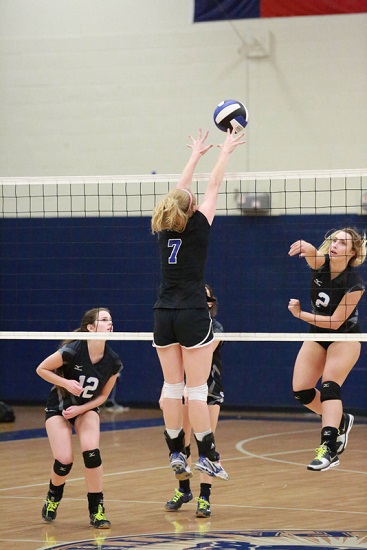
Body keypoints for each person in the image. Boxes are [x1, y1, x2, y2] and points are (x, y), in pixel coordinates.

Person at [151, 128, 245, 485]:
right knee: (196, 390)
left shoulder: (163, 228)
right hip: (191, 311)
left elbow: (179, 192)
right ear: (191, 208)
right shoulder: (200, 226)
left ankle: (177, 451)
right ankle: (208, 457)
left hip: (163, 314)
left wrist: (194, 155)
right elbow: (214, 186)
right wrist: (225, 153)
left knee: (172, 389)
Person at [36, 307, 122, 528]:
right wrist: (66, 383)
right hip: (59, 408)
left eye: (110, 320)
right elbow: (42, 369)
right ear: (90, 327)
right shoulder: (73, 350)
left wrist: (82, 409)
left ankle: (97, 511)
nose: (109, 323)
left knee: (92, 454)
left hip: (86, 409)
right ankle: (53, 496)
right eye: (104, 320)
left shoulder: (112, 361)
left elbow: (103, 396)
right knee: (64, 461)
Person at [288, 228, 366, 471]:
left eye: (342, 243)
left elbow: (335, 322)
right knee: (301, 391)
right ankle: (341, 420)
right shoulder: (320, 264)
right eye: (333, 241)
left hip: (344, 338)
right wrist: (306, 245)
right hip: (318, 336)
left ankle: (329, 449)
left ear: (352, 253)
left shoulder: (355, 284)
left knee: (330, 386)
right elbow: (313, 253)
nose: (334, 245)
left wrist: (301, 315)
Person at [161, 284, 224, 518]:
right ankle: (184, 490)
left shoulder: (215, 328)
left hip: (208, 391)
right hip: (184, 391)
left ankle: (205, 498)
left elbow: (200, 362)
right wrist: (167, 391)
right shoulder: (180, 328)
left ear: (209, 303)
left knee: (205, 444)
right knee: (181, 443)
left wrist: (187, 387)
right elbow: (174, 369)